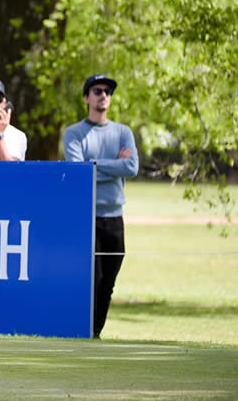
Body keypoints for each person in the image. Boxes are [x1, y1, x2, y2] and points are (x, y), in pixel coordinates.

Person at [63, 74, 138, 338]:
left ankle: (95, 333)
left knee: (108, 282)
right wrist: (112, 166)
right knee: (92, 280)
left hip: (114, 218)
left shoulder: (123, 132)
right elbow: (77, 171)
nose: (103, 95)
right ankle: (84, 330)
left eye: (107, 91)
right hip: (88, 218)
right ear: (87, 97)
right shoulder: (73, 133)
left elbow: (131, 167)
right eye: (97, 90)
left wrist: (94, 163)